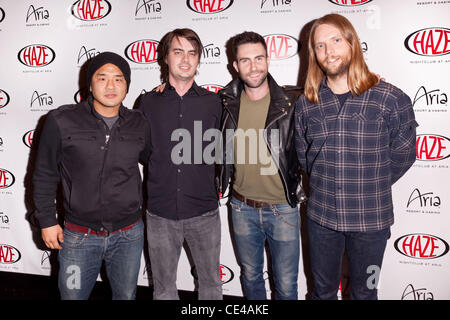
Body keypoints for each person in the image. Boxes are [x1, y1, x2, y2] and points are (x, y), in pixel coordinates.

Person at [294, 14, 417, 300]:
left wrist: (369, 183)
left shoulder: (390, 98)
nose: (329, 51)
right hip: (321, 219)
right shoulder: (307, 103)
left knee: (366, 292)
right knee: (321, 292)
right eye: (320, 45)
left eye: (336, 40)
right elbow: (304, 155)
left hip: (371, 222)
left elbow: (404, 153)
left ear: (352, 43)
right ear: (314, 54)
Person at [33, 52, 150, 300]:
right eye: (102, 78)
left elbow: (158, 163)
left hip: (129, 236)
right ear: (89, 84)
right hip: (78, 239)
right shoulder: (61, 121)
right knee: (73, 296)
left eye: (119, 79)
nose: (111, 86)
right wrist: (46, 220)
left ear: (127, 85)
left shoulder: (139, 123)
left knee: (126, 296)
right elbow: (44, 174)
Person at [138, 28, 223, 300]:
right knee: (163, 289)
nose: (185, 59)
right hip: (160, 213)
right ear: (165, 58)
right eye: (178, 52)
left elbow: (224, 150)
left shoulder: (215, 103)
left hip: (204, 212)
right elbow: (143, 152)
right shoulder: (148, 102)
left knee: (210, 286)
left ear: (198, 59)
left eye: (192, 53)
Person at [219, 31, 304, 300]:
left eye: (259, 58)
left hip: (283, 208)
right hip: (241, 207)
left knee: (287, 285)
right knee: (250, 276)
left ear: (268, 59)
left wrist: (369, 84)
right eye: (245, 60)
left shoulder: (293, 101)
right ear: (235, 66)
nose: (253, 67)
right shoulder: (225, 102)